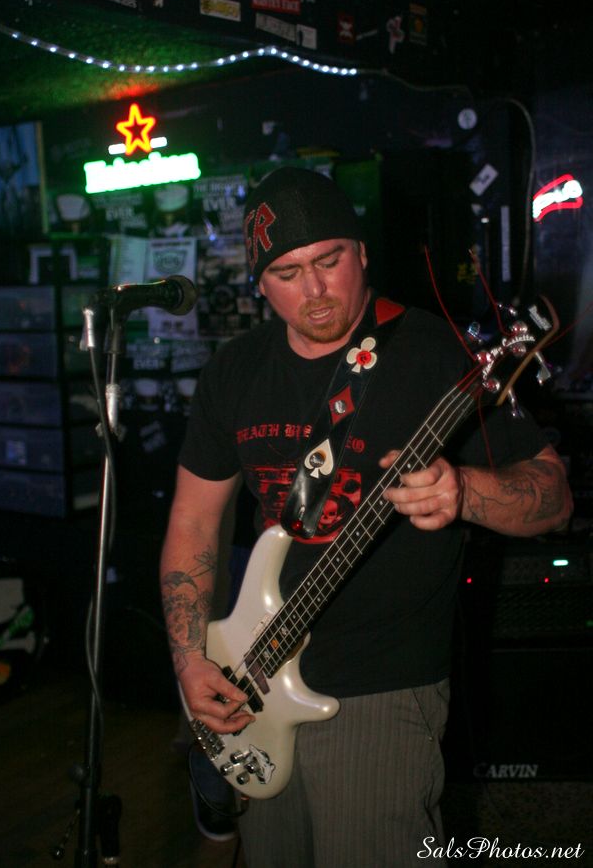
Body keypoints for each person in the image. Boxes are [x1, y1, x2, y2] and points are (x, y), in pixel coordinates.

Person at [160, 166, 573, 867]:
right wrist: (190, 658)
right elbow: (194, 525)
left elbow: (554, 498)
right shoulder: (234, 371)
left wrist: (465, 492)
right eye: (288, 273)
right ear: (260, 283)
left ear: (362, 252)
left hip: (383, 689)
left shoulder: (437, 354)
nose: (315, 290)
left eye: (329, 261)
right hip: (253, 674)